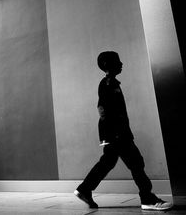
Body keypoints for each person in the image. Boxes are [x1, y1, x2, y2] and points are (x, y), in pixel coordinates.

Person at [74, 51, 173, 211]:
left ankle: (85, 188)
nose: (121, 64)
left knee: (107, 162)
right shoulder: (107, 83)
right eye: (117, 61)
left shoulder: (112, 83)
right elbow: (102, 108)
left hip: (114, 134)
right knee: (136, 162)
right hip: (117, 134)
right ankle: (147, 198)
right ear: (108, 65)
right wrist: (117, 133)